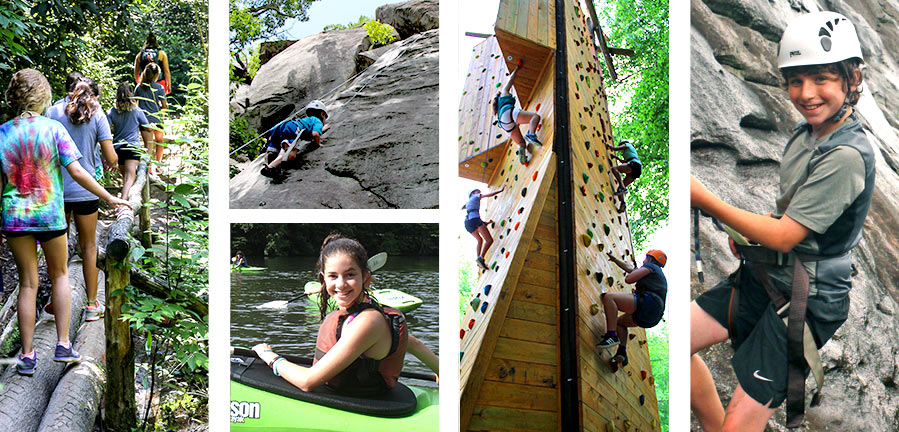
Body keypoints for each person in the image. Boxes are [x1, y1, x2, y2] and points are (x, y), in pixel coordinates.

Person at [690, 11, 873, 431]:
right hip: (771, 273)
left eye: (821, 79)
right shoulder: (806, 133)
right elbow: (788, 213)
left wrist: (704, 198)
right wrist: (754, 238)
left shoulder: (845, 156)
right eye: (795, 80)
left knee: (743, 422)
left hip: (807, 299)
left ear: (852, 78)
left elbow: (788, 234)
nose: (806, 94)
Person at [1, 69, 131, 375]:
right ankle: (63, 345)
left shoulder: (4, 132)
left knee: (27, 283)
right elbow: (78, 171)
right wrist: (109, 198)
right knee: (60, 276)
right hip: (49, 215)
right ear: (43, 96)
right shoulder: (53, 128)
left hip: (15, 218)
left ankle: (28, 356)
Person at [252, 233, 438, 394]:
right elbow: (412, 342)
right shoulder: (358, 309)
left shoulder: (369, 321)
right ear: (323, 279)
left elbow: (307, 382)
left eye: (350, 275)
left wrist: (269, 356)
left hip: (364, 400)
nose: (341, 284)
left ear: (364, 276)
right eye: (333, 276)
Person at [46, 80, 117, 323]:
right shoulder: (97, 114)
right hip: (87, 191)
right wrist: (112, 159)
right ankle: (91, 305)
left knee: (58, 245)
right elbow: (110, 155)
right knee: (88, 246)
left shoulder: (53, 112)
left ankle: (56, 300)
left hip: (57, 190)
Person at [596, 250, 667, 367]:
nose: (644, 261)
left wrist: (631, 277)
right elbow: (631, 268)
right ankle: (622, 352)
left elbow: (629, 279)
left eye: (646, 258)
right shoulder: (655, 273)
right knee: (619, 323)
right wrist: (614, 259)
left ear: (650, 259)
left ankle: (611, 336)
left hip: (649, 302)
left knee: (609, 298)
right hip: (652, 317)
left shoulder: (651, 266)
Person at [260, 100, 331, 183]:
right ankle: (270, 168)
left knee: (275, 151)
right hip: (291, 127)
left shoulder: (306, 120)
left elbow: (309, 135)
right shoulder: (317, 120)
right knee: (291, 154)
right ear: (322, 114)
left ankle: (274, 164)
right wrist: (318, 143)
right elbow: (315, 134)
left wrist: (322, 130)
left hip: (279, 128)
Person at [107, 82, 152, 199]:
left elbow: (106, 128)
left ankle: (124, 200)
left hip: (118, 148)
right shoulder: (137, 111)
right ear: (131, 94)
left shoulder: (112, 111)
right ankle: (122, 204)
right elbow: (147, 127)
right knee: (130, 178)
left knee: (126, 177)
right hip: (132, 147)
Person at [493, 60, 542, 164]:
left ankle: (523, 154)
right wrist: (516, 69)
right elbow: (510, 80)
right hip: (509, 112)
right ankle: (531, 134)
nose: (511, 95)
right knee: (535, 117)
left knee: (521, 143)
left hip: (504, 125)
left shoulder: (498, 110)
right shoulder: (503, 94)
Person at [134, 63, 167, 169]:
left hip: (144, 120)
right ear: (156, 74)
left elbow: (134, 104)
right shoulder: (159, 88)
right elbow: (164, 105)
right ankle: (158, 165)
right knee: (160, 141)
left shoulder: (139, 87)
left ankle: (148, 168)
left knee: (148, 145)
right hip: (157, 118)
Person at [463, 187, 504, 271]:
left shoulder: (468, 203)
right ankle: (481, 258)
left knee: (479, 240)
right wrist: (500, 190)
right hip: (475, 220)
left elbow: (479, 224)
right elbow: (489, 195)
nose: (479, 192)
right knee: (489, 240)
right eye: (478, 191)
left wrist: (487, 223)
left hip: (468, 223)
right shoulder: (475, 196)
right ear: (472, 193)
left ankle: (478, 259)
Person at [134, 31, 172, 95]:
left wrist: (139, 83)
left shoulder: (139, 55)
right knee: (159, 103)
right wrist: (169, 85)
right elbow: (166, 71)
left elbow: (136, 72)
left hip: (144, 84)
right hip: (160, 83)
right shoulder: (162, 54)